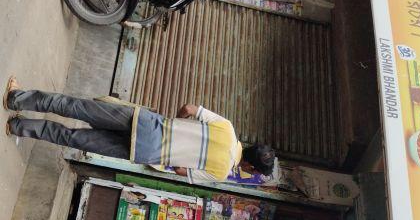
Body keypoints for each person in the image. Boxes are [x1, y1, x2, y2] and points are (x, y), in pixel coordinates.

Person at [3, 77, 275, 185]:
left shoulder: (227, 128)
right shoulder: (220, 173)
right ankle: (18, 126)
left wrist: (174, 123)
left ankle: (16, 99)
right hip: (143, 151)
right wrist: (172, 154)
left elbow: (189, 108)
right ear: (250, 167)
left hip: (145, 123)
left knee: (77, 108)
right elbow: (181, 171)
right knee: (73, 138)